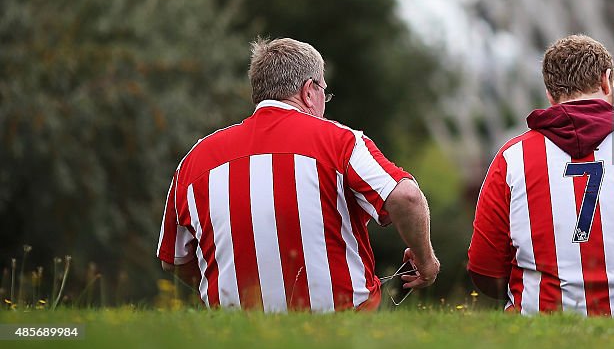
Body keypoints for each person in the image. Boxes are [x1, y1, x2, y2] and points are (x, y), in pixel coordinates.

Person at [156, 37, 439, 311]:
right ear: (308, 91)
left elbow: (174, 259)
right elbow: (406, 197)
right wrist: (426, 261)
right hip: (345, 330)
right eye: (323, 92)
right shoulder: (341, 143)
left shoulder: (196, 160)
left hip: (235, 337)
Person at [468, 34, 614, 316]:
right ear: (606, 81)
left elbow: (485, 271)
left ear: (550, 93)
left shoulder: (511, 159)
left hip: (539, 329)